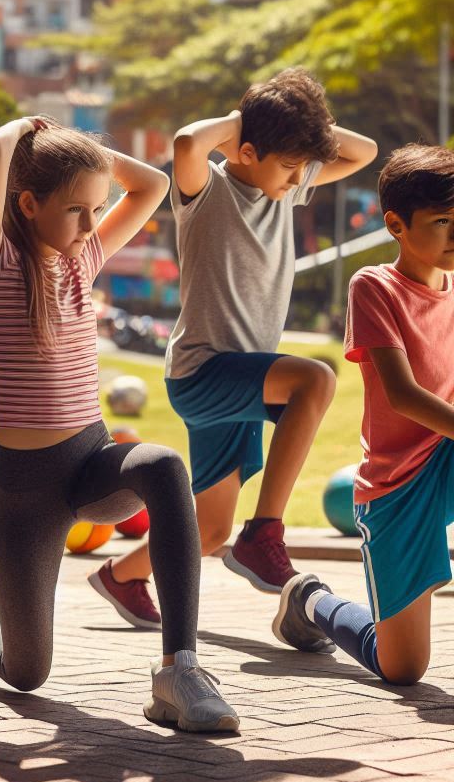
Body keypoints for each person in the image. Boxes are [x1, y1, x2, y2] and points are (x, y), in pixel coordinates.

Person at [0, 117, 238, 732]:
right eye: (77, 209)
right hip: (24, 493)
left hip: (91, 461)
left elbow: (151, 183)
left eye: (97, 209)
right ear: (27, 203)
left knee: (164, 465)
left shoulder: (83, 259)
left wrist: (88, 158)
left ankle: (180, 669)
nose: (93, 225)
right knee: (26, 671)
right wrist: (28, 129)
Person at [93, 70, 377, 634]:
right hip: (205, 370)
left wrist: (300, 128)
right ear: (246, 150)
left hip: (244, 375)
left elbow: (363, 152)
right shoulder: (207, 192)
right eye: (290, 167)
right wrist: (244, 121)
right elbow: (185, 145)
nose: (301, 180)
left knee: (210, 530)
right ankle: (266, 531)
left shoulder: (283, 185)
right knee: (314, 382)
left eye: (303, 168)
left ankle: (122, 575)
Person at [275, 144, 454, 681]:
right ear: (396, 224)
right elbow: (402, 394)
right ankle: (311, 602)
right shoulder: (373, 286)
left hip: (445, 455)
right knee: (402, 667)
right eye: (443, 221)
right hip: (397, 488)